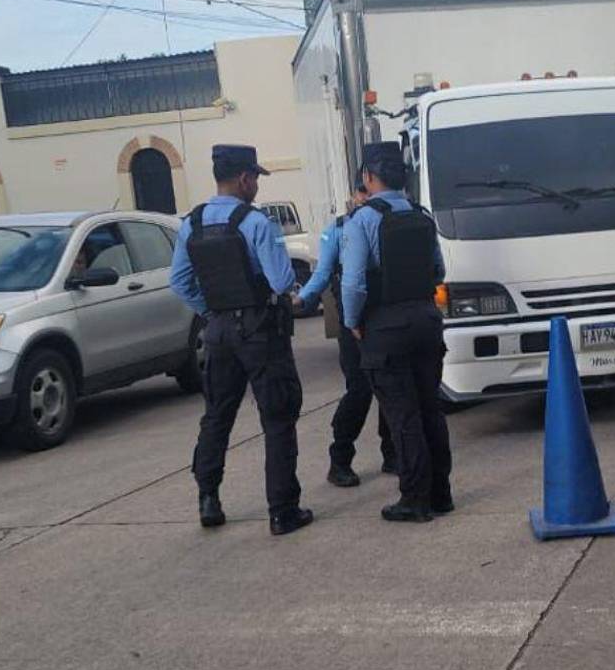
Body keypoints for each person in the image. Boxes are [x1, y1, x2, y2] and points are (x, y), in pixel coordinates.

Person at [169, 144, 313, 534]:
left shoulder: (191, 223)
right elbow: (282, 281)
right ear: (245, 179)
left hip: (217, 332)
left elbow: (179, 282)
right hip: (260, 330)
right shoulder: (255, 222)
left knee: (217, 414)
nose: (257, 188)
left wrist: (212, 310)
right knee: (278, 416)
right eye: (256, 180)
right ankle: (283, 511)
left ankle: (208, 498)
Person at [340, 142, 452, 523]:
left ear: (369, 178)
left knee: (403, 415)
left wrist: (353, 321)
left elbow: (353, 283)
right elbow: (438, 270)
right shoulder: (421, 216)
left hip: (386, 326)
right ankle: (441, 494)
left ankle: (414, 499)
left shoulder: (362, 220)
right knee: (430, 409)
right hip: (425, 319)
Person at [293, 184, 397, 487]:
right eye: (361, 193)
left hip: (381, 320)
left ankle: (392, 453)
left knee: (388, 389)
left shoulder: (386, 222)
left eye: (369, 193)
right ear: (353, 194)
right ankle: (340, 459)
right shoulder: (338, 230)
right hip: (352, 326)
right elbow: (323, 273)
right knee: (360, 390)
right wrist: (303, 298)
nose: (365, 199)